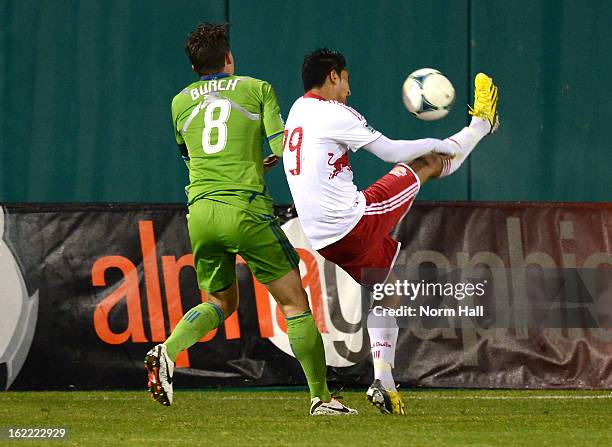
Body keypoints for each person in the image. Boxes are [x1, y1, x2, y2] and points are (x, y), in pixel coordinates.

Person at [145, 25, 356, 416]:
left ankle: (168, 350)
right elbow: (283, 145)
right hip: (246, 209)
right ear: (229, 58)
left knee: (218, 302)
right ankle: (322, 399)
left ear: (194, 66)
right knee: (295, 304)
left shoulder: (178, 103)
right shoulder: (257, 89)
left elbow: (195, 158)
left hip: (202, 212)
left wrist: (244, 164)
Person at [282, 48, 499, 414]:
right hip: (353, 223)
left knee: (390, 288)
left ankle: (383, 380)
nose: (349, 90)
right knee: (429, 162)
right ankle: (482, 124)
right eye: (347, 79)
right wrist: (439, 144)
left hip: (324, 238)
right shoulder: (334, 112)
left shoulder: (298, 111)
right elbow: (391, 152)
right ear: (333, 76)